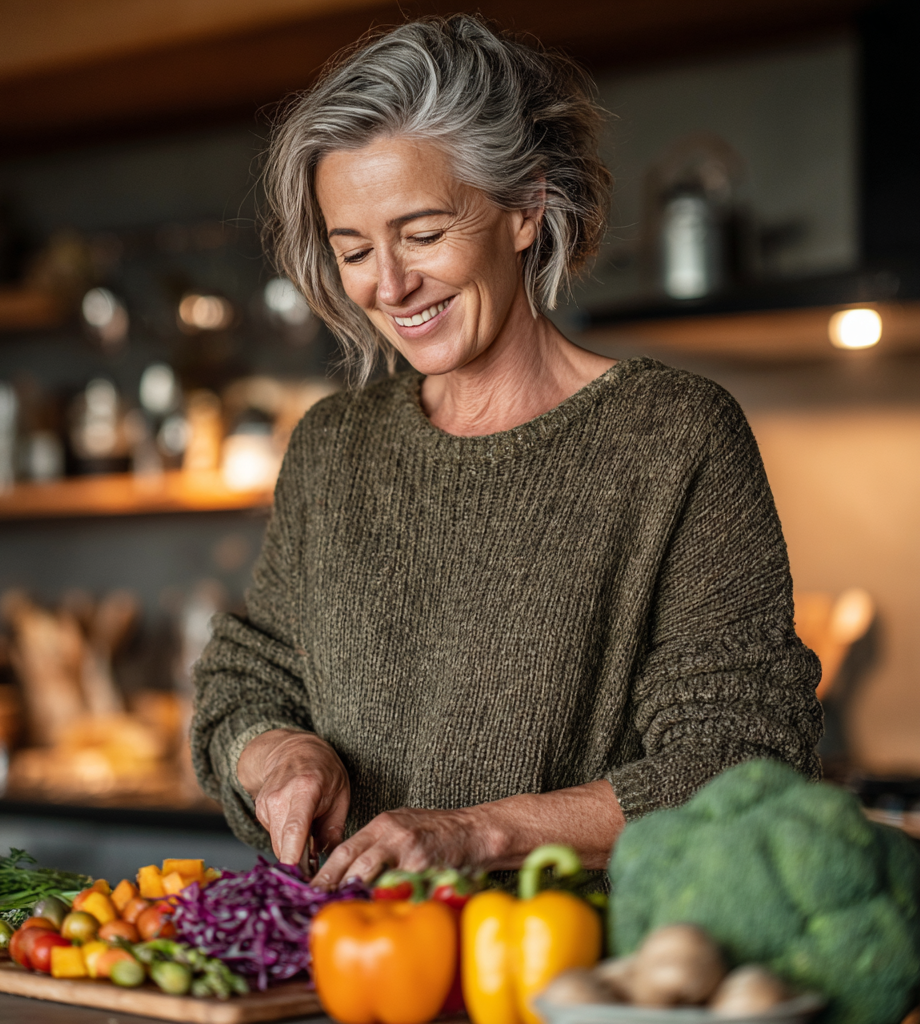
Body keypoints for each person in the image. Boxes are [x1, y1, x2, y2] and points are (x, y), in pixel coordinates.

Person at [191, 15, 823, 889]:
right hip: (351, 970)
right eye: (353, 250)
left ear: (526, 207)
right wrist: (282, 757)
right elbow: (244, 680)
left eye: (421, 233)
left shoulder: (671, 439)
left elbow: (742, 758)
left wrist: (476, 835)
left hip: (578, 983)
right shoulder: (333, 449)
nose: (390, 284)